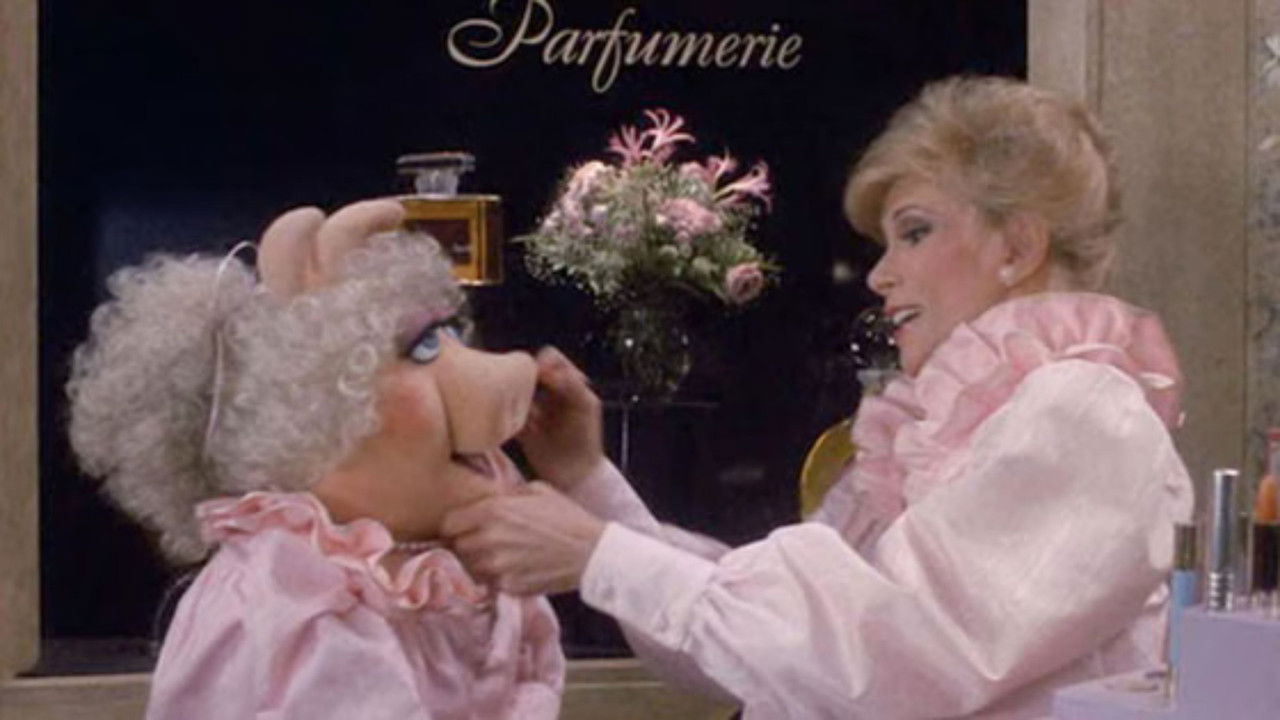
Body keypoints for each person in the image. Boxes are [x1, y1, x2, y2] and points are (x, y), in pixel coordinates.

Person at [441, 76, 1195, 719]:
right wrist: (587, 482)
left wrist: (600, 554)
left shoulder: (1082, 414)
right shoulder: (943, 428)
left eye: (915, 232)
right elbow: (762, 648)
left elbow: (889, 652)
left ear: (1017, 247)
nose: (880, 275)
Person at [67, 201, 564, 719]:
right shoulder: (293, 595)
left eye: (451, 335)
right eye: (421, 349)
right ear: (312, 421)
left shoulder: (449, 568)